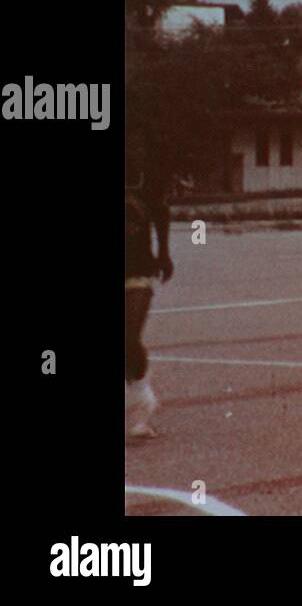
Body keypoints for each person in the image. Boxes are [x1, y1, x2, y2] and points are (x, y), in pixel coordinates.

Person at [125, 155, 173, 438]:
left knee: (129, 338)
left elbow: (161, 213)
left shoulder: (141, 177)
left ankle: (143, 401)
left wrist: (164, 253)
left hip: (138, 269)